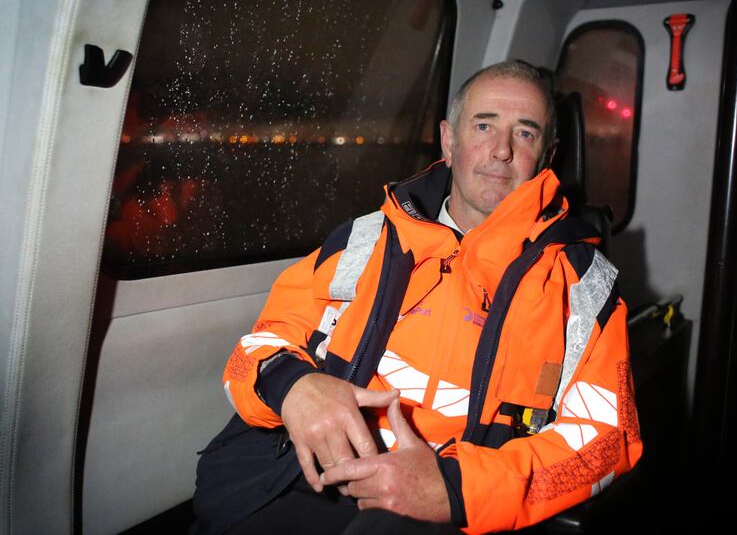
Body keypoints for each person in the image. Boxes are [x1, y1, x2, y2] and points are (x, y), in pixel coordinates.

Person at [192, 60, 642, 534]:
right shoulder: (366, 239)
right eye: (484, 125)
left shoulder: (581, 284)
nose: (501, 151)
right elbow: (258, 345)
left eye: (525, 134)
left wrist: (454, 490)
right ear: (449, 141)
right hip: (294, 478)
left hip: (438, 512)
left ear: (546, 155)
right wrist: (294, 387)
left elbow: (606, 441)